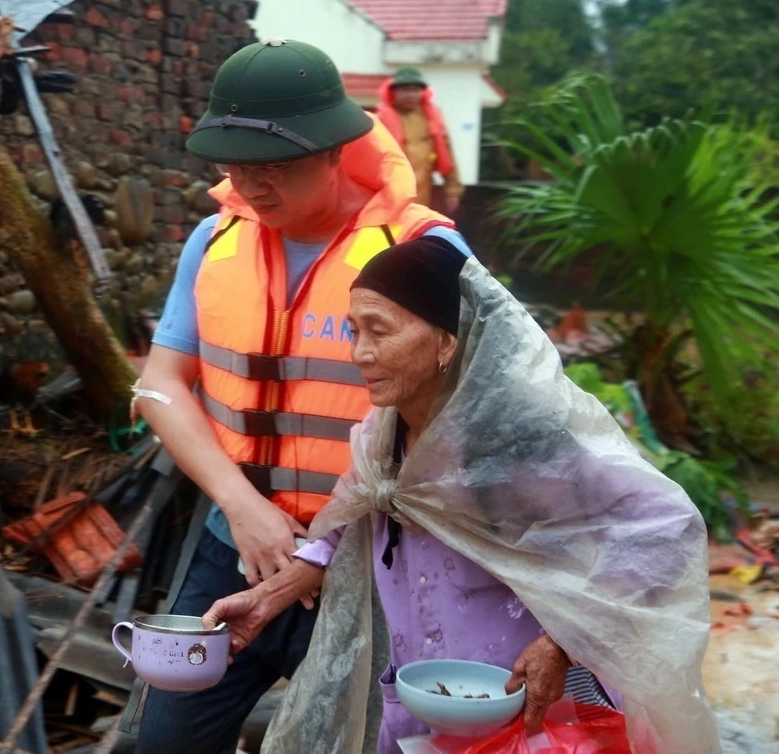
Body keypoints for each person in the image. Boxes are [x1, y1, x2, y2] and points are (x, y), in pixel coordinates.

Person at [202, 237, 721, 754]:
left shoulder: (528, 442)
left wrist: (565, 644)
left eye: (379, 331)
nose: (359, 353)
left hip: (527, 712)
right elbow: (349, 525)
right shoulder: (382, 437)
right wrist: (267, 600)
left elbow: (664, 529)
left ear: (447, 341)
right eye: (354, 331)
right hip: (427, 708)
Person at [129, 39, 474, 754]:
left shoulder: (425, 254)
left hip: (379, 566)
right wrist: (242, 507)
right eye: (235, 169)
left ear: (335, 150)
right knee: (165, 739)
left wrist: (321, 549)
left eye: (276, 168)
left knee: (367, 742)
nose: (252, 190)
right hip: (237, 547)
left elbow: (476, 422)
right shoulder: (213, 240)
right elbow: (161, 383)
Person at [376, 67, 464, 215]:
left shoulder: (432, 120)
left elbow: (447, 156)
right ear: (393, 92)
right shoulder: (379, 120)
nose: (410, 95)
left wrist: (453, 191)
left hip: (424, 196)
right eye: (404, 89)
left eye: (415, 89)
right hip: (388, 197)